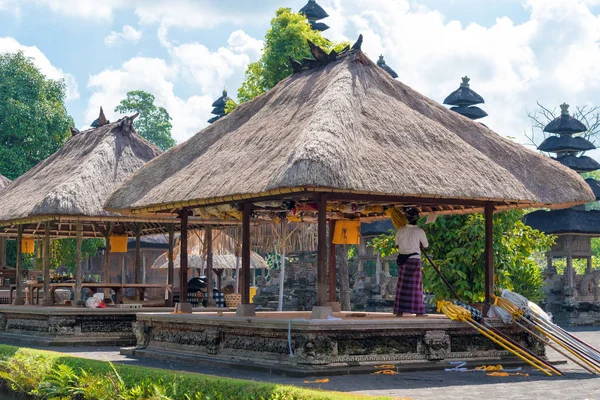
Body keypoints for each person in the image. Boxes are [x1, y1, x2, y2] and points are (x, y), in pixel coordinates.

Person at [394, 207, 428, 317]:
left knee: (402, 285)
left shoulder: (401, 230)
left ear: (407, 218)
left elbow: (397, 244)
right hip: (414, 260)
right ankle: (418, 311)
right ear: (417, 219)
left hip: (403, 259)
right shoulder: (420, 231)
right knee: (416, 286)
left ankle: (399, 311)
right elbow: (426, 245)